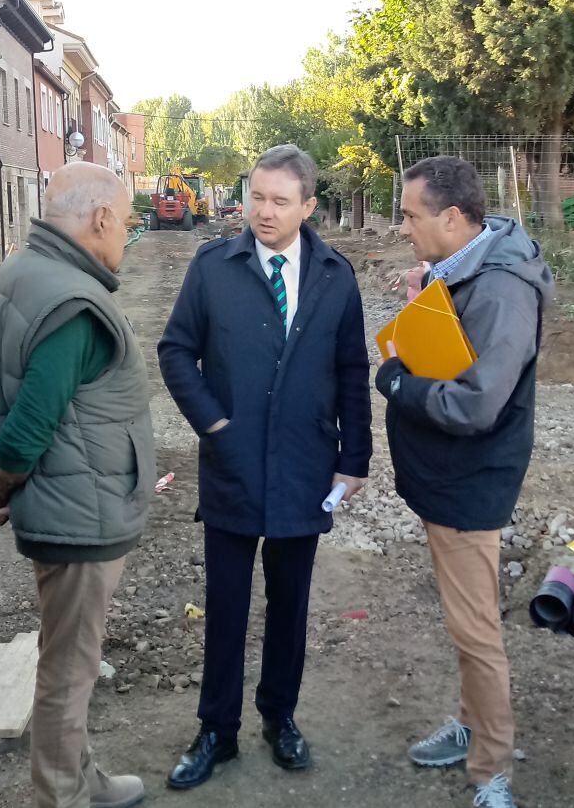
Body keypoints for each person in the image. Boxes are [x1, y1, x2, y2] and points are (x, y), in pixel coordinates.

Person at [157, 144, 372, 789]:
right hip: (231, 466)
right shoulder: (214, 268)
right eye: (257, 196)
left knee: (290, 604)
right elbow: (175, 351)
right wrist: (214, 425)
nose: (264, 212)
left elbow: (353, 369)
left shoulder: (336, 275)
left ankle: (279, 717)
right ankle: (216, 730)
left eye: (281, 201)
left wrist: (353, 457)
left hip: (304, 467)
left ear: (309, 206)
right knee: (225, 605)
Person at [0, 162, 153, 808]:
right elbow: (26, 427)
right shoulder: (73, 304)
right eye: (125, 222)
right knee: (68, 669)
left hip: (69, 503)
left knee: (69, 657)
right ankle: (60, 797)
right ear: (99, 218)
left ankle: (80, 779)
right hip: (80, 515)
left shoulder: (23, 275)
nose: (125, 235)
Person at [375, 156, 555, 808]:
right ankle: (473, 725)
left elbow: (477, 404)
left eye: (411, 216)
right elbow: (461, 321)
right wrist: (429, 284)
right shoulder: (474, 264)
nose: (402, 227)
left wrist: (399, 382)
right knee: (465, 621)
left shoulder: (505, 291)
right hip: (448, 477)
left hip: (470, 482)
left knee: (476, 630)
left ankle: (491, 770)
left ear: (453, 218)